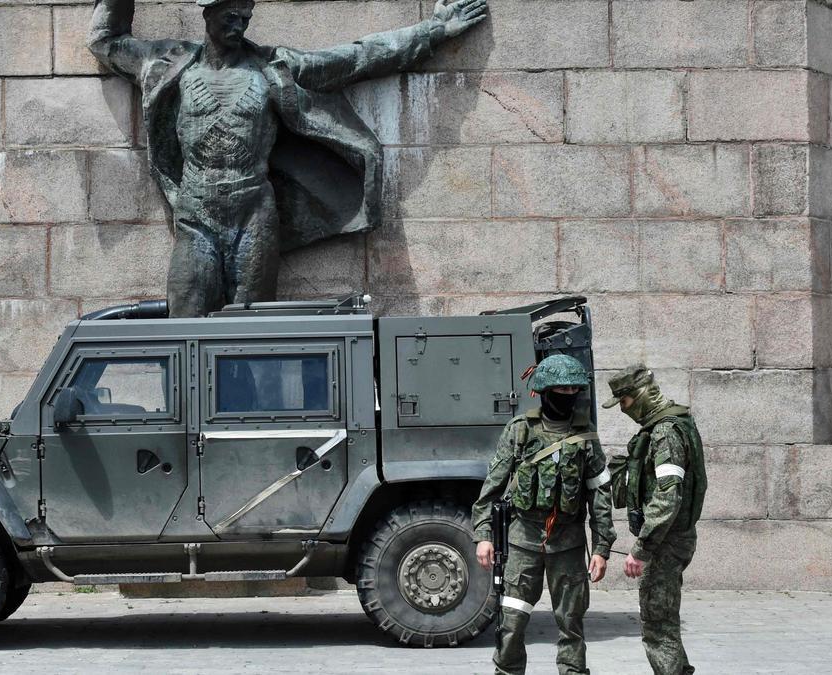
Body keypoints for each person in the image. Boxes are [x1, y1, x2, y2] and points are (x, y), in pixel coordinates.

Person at [89, 0, 489, 316]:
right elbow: (105, 40)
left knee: (253, 328)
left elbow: (355, 58)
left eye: (245, 17)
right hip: (196, 217)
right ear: (207, 12)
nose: (239, 25)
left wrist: (434, 31)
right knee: (185, 313)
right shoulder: (166, 63)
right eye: (231, 15)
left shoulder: (273, 66)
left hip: (253, 214)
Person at [472, 354, 616, 675]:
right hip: (523, 543)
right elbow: (492, 487)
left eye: (572, 389)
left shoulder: (586, 435)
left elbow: (599, 495)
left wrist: (602, 548)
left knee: (571, 625)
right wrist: (483, 536)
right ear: (543, 390)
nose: (567, 395)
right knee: (511, 622)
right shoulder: (520, 431)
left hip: (569, 544)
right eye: (560, 389)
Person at [603, 365, 707, 675]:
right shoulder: (667, 425)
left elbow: (667, 497)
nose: (623, 410)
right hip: (670, 538)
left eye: (625, 402)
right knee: (665, 619)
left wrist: (641, 548)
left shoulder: (665, 433)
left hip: (665, 542)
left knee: (657, 622)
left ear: (642, 396)